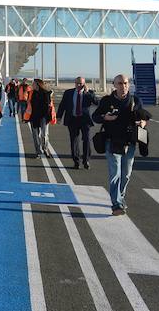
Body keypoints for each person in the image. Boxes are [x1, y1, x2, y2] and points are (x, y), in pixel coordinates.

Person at [92, 74, 150, 216]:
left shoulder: (135, 101)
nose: (122, 86)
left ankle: (120, 197)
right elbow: (95, 116)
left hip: (129, 142)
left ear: (128, 84)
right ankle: (116, 204)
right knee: (115, 173)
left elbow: (143, 117)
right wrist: (105, 117)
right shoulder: (107, 101)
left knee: (126, 175)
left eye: (125, 83)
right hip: (112, 141)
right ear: (114, 85)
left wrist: (143, 123)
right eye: (119, 83)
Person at [55, 77, 98, 169]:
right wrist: (59, 117)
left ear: (84, 84)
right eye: (77, 83)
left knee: (86, 140)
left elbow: (96, 102)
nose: (79, 85)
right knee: (74, 141)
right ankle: (76, 161)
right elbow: (62, 105)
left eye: (81, 83)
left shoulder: (89, 93)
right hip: (72, 119)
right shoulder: (68, 93)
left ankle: (86, 161)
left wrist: (87, 93)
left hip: (85, 120)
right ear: (74, 83)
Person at [24, 78, 55, 158]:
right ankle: (38, 152)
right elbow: (28, 104)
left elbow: (49, 106)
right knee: (35, 135)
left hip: (44, 117)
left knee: (44, 134)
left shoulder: (46, 93)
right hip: (34, 117)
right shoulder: (31, 93)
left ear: (38, 84)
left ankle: (45, 149)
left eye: (33, 83)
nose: (32, 85)